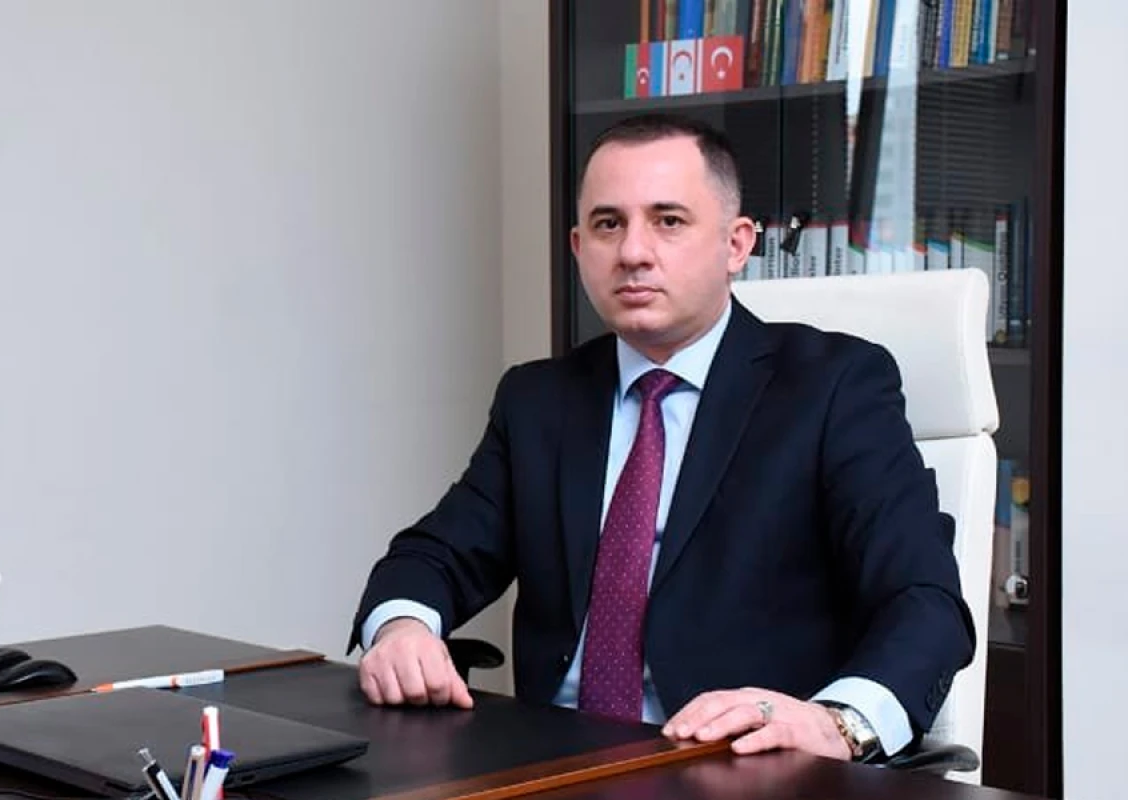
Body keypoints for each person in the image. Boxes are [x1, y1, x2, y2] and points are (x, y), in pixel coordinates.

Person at [349, 113, 975, 763]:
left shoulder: (833, 388)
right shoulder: (538, 400)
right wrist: (402, 627)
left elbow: (924, 602)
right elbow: (434, 555)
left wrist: (837, 723)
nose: (633, 253)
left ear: (736, 244)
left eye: (668, 221)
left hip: (735, 765)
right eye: (607, 224)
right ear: (577, 247)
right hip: (549, 762)